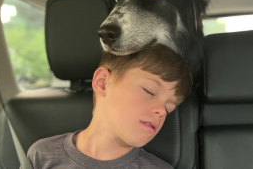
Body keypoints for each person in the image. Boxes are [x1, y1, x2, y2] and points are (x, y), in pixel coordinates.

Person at [26, 44, 192, 169]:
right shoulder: (42, 154)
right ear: (103, 83)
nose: (162, 111)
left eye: (169, 108)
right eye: (149, 91)